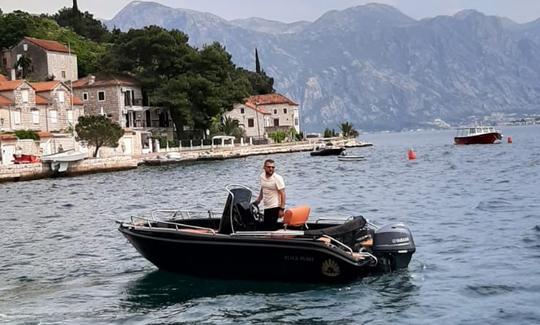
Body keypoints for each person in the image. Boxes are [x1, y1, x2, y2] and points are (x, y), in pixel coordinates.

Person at [254, 159, 286, 230]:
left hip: (275, 206)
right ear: (264, 167)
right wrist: (259, 199)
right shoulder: (262, 176)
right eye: (268, 167)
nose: (271, 169)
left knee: (270, 229)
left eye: (273, 167)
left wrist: (282, 209)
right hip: (266, 206)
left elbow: (283, 194)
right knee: (266, 227)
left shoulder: (278, 178)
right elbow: (263, 188)